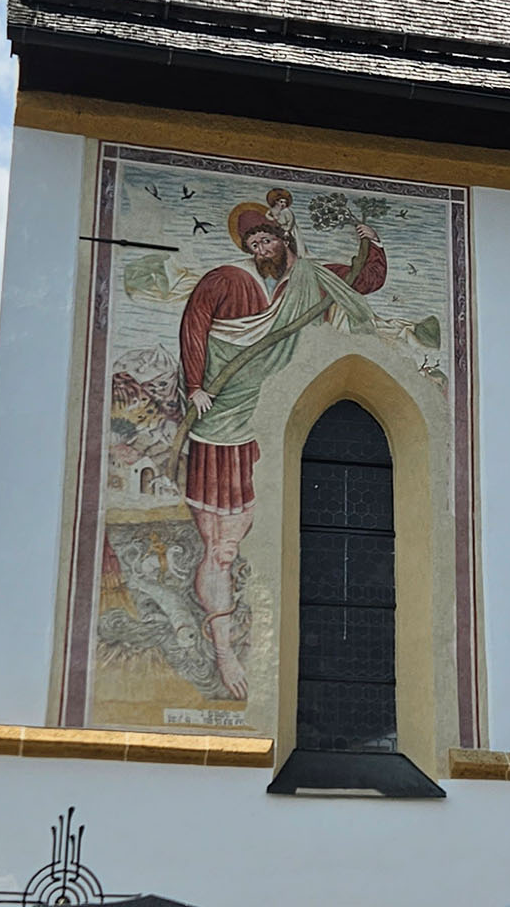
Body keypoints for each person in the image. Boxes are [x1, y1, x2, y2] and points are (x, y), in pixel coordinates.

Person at [178, 205, 386, 698]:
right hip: (224, 421)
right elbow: (195, 325)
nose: (260, 250)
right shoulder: (224, 280)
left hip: (278, 423)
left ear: (282, 236)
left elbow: (364, 281)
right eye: (252, 245)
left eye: (265, 241)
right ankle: (225, 652)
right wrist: (193, 386)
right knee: (221, 548)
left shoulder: (312, 280)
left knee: (256, 542)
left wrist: (372, 242)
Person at [263, 187, 305, 256]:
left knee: (289, 242)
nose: (283, 204)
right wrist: (272, 218)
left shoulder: (287, 211)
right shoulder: (273, 209)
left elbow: (290, 222)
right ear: (276, 201)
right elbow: (267, 215)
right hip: (278, 227)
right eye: (281, 202)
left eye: (285, 202)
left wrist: (287, 231)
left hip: (288, 229)